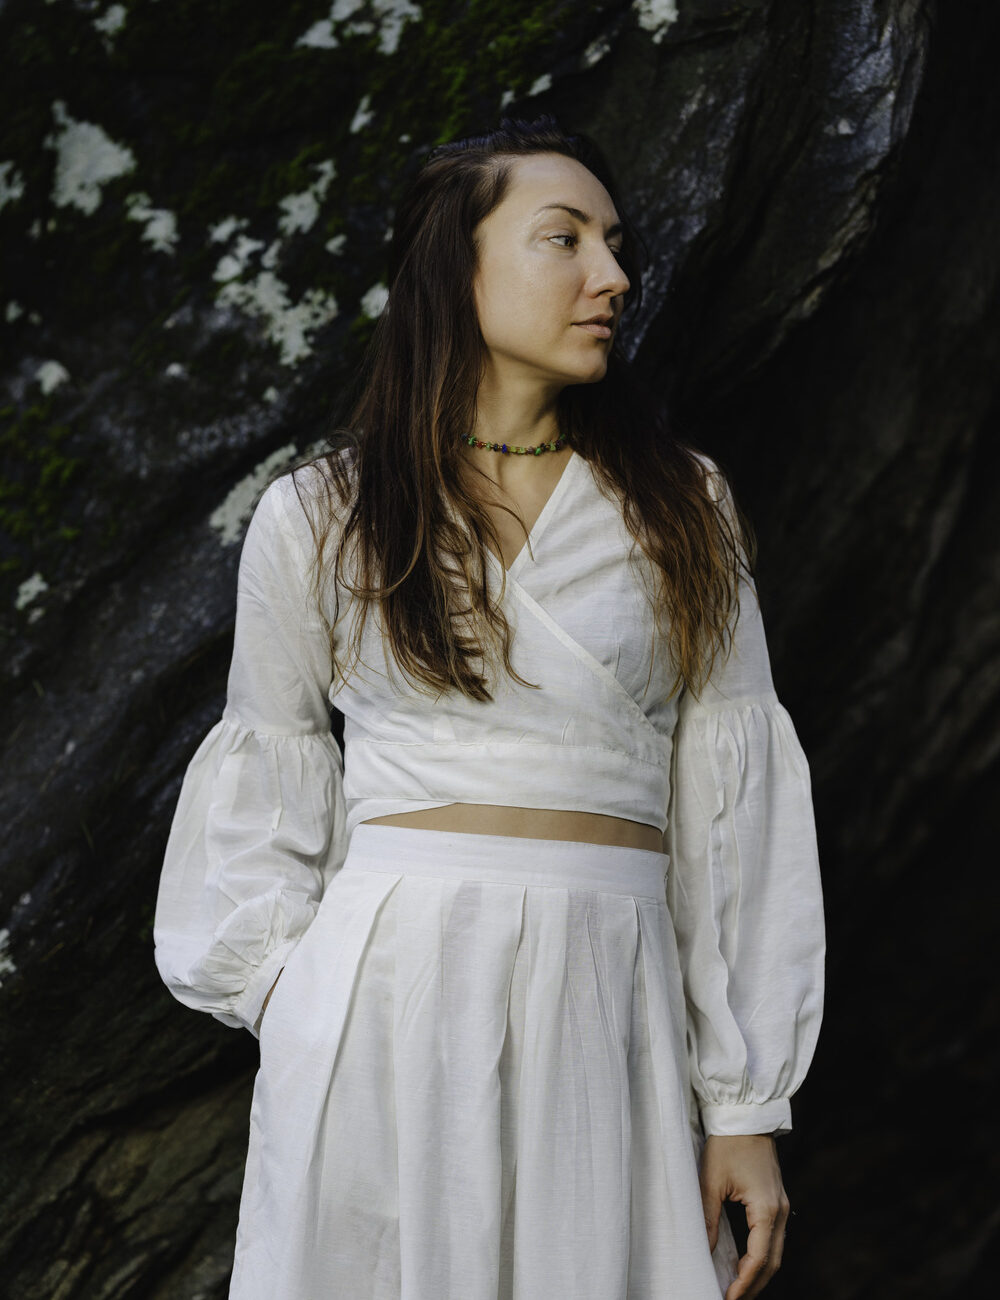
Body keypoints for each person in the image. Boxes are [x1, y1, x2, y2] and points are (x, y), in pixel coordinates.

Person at [153, 114, 825, 1300]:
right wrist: (299, 998)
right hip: (386, 998)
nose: (611, 276)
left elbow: (734, 811)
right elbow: (268, 761)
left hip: (609, 998)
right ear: (453, 272)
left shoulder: (682, 506)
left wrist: (743, 1102)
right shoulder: (321, 514)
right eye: (560, 240)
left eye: (614, 243)